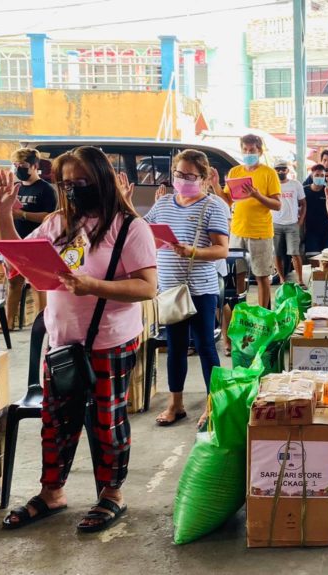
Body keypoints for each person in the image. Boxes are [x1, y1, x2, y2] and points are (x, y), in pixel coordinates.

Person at [0, 145, 157, 533]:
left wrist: (92, 286)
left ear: (100, 180)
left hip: (110, 340)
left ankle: (111, 495)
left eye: (81, 182)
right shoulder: (57, 224)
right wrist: (2, 213)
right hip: (63, 341)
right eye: (66, 184)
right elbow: (17, 262)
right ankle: (52, 492)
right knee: (56, 420)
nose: (72, 190)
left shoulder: (130, 227)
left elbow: (147, 287)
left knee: (107, 421)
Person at [144, 150, 230, 427]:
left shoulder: (213, 206)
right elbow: (144, 233)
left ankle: (212, 404)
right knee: (175, 346)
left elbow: (221, 250)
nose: (182, 180)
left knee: (205, 345)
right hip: (168, 288)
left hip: (201, 289)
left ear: (204, 178)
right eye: (178, 175)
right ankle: (175, 404)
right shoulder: (164, 204)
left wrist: (192, 251)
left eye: (189, 176)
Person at [0, 148, 57, 329]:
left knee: (38, 285)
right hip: (15, 240)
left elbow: (49, 216)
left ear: (34, 166)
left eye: (22, 166)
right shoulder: (16, 187)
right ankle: (8, 323)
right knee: (14, 282)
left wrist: (22, 214)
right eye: (15, 166)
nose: (18, 169)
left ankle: (42, 323)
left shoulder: (46, 189)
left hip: (37, 243)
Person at [221, 134, 281, 308]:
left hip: (260, 233)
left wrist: (257, 195)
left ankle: (264, 315)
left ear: (260, 151)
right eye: (245, 150)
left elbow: (277, 204)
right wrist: (216, 184)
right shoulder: (235, 172)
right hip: (238, 231)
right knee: (238, 274)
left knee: (262, 276)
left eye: (252, 150)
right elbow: (227, 200)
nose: (248, 153)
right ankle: (241, 312)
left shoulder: (269, 173)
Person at [272, 159, 306, 284]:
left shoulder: (295, 184)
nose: (281, 171)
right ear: (274, 171)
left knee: (295, 253)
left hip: (292, 224)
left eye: (283, 169)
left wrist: (300, 221)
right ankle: (282, 279)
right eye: (278, 169)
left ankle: (300, 280)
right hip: (275, 224)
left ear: (287, 170)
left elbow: (303, 204)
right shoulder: (271, 185)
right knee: (277, 253)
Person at [303, 164, 328, 254]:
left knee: (327, 260)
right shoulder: (304, 190)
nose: (319, 177)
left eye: (322, 175)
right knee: (312, 259)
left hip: (327, 231)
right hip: (310, 232)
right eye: (317, 175)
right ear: (312, 176)